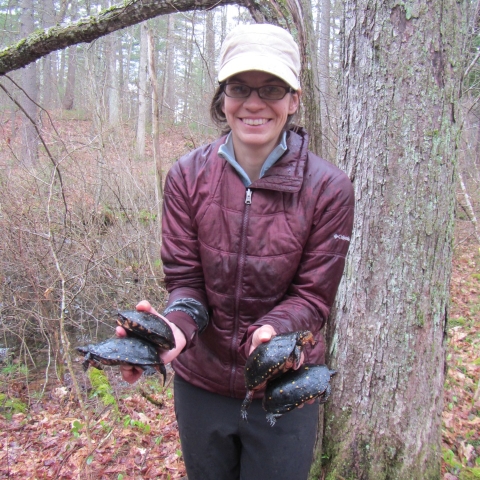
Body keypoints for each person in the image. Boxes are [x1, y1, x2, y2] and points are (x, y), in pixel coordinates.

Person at [117, 23, 354, 480]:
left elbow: (313, 298)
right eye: (239, 87)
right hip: (201, 384)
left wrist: (271, 330)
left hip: (284, 388)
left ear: (293, 100)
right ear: (222, 96)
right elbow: (186, 285)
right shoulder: (187, 176)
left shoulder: (329, 188)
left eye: (272, 88)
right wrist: (171, 330)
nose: (253, 102)